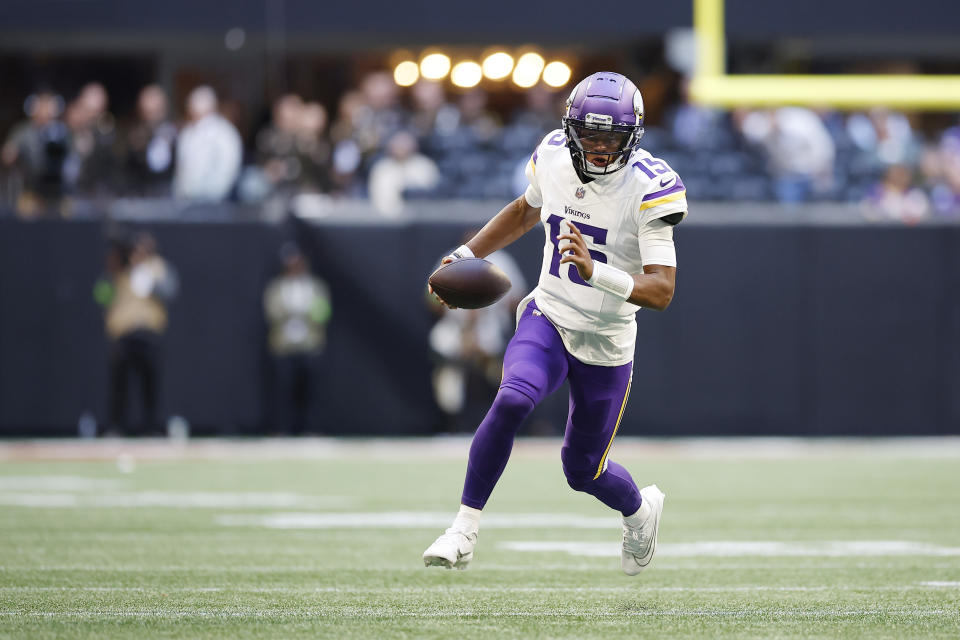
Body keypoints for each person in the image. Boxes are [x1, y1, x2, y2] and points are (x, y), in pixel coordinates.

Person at [422, 72, 686, 575]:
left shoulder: (650, 187)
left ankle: (639, 512)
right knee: (514, 395)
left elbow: (662, 290)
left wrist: (596, 271)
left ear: (633, 137)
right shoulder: (553, 156)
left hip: (607, 341)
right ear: (569, 129)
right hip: (551, 314)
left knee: (582, 470)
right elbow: (525, 211)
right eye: (589, 134)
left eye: (611, 137)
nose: (599, 148)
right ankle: (463, 528)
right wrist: (463, 254)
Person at [94, 232, 179, 436]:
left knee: (150, 384)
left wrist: (148, 281)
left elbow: (170, 291)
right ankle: (116, 427)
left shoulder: (158, 268)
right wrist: (111, 270)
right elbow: (101, 295)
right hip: (124, 333)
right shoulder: (119, 270)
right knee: (119, 384)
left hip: (149, 333)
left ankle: (151, 427)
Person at [263, 243, 332, 435]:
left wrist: (307, 313)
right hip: (283, 346)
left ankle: (312, 429)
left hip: (310, 345)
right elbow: (272, 312)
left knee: (311, 392)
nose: (295, 266)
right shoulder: (276, 287)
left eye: (298, 262)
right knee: (283, 390)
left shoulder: (316, 287)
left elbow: (323, 313)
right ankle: (282, 429)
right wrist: (293, 312)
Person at [173, 86, 242, 202]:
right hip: (186, 201)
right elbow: (181, 168)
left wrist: (215, 195)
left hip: (213, 201)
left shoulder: (224, 132)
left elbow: (227, 167)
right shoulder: (187, 132)